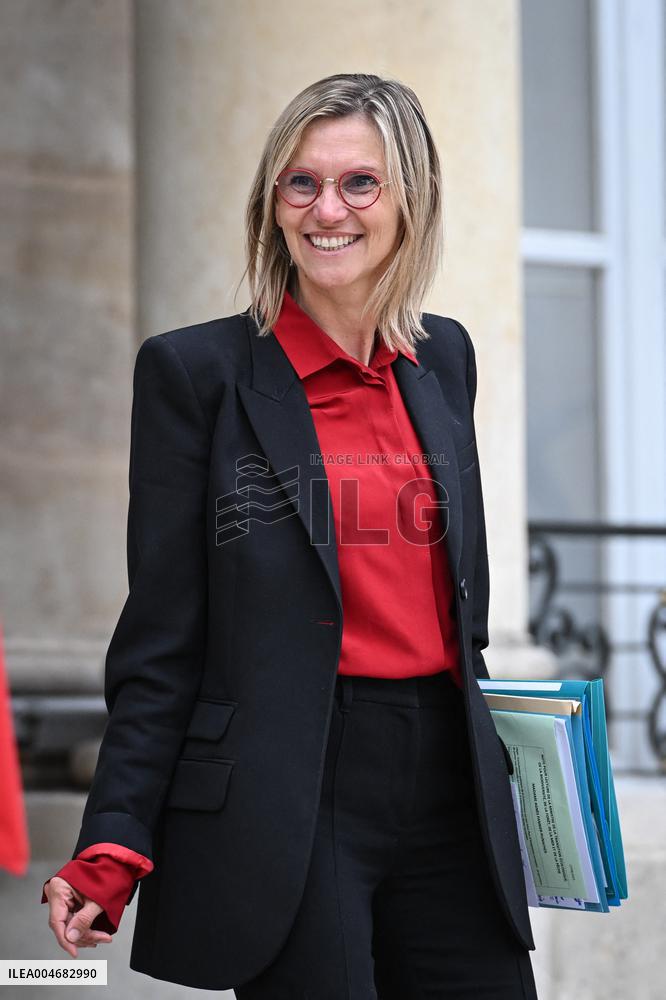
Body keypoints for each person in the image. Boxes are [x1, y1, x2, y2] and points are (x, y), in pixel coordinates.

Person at [42, 72, 538, 998]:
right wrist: (113, 837)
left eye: (361, 183)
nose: (327, 210)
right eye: (299, 183)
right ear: (271, 205)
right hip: (288, 792)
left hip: (450, 788)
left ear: (411, 202)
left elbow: (457, 607)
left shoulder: (446, 361)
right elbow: (162, 633)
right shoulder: (197, 375)